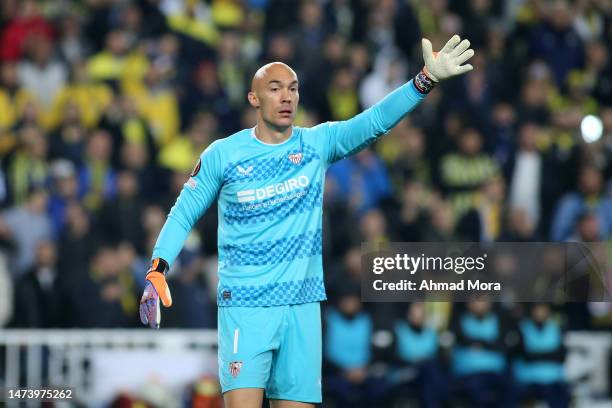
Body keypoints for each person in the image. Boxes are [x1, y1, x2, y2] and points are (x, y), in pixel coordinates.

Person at [139, 35, 475, 407]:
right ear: (254, 98)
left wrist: (424, 80)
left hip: (302, 306)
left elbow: (375, 121)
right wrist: (159, 266)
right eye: (275, 88)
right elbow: (184, 210)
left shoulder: (316, 144)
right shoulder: (224, 154)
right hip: (246, 307)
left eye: (293, 89)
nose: (286, 97)